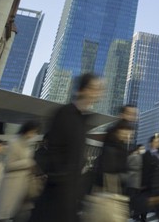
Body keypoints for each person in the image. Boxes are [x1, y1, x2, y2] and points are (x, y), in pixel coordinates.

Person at [29, 73, 104, 222]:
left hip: (69, 194)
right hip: (57, 194)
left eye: (99, 89)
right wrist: (61, 177)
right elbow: (52, 148)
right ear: (81, 90)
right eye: (93, 88)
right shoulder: (65, 114)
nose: (97, 93)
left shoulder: (82, 119)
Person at [0, 121, 40, 222]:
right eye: (32, 132)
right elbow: (8, 165)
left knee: (22, 214)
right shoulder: (14, 143)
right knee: (7, 215)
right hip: (12, 185)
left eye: (35, 132)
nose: (33, 135)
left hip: (23, 185)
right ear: (26, 130)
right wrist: (27, 162)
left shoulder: (27, 144)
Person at [140, 135, 159, 222]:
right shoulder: (146, 155)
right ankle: (143, 217)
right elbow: (144, 171)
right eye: (156, 141)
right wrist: (143, 184)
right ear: (151, 143)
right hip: (149, 183)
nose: (158, 143)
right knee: (146, 202)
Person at [127, 144, 146, 221]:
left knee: (131, 199)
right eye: (141, 148)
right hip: (136, 182)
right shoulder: (138, 157)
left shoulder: (129, 157)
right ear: (137, 149)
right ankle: (135, 214)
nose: (142, 150)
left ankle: (131, 213)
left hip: (130, 182)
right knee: (135, 199)